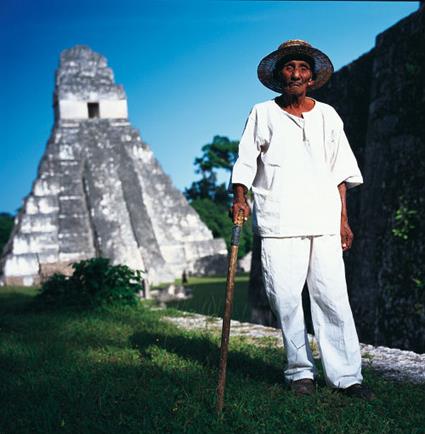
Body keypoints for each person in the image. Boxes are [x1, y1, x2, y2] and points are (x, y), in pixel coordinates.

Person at [230, 40, 374, 400]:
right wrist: (240, 198)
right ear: (279, 76)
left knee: (333, 299)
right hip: (280, 222)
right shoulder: (262, 113)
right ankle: (299, 373)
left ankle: (346, 377)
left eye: (302, 68)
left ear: (311, 78)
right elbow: (246, 162)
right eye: (289, 67)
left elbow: (340, 171)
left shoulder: (328, 116)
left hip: (324, 220)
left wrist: (344, 219)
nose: (296, 73)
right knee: (286, 299)